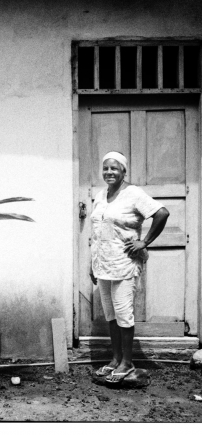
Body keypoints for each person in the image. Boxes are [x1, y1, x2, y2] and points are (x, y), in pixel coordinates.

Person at [90, 151, 170, 384]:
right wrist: (91, 263)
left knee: (124, 314)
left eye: (114, 168)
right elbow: (96, 232)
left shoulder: (133, 194)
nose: (109, 172)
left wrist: (144, 242)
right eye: (105, 168)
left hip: (124, 263)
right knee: (111, 314)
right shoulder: (100, 195)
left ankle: (127, 362)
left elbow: (161, 213)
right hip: (102, 264)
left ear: (124, 171)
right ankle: (115, 359)